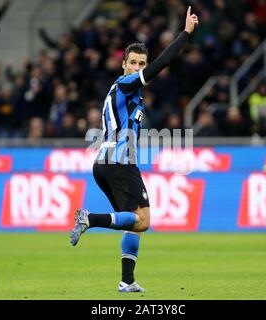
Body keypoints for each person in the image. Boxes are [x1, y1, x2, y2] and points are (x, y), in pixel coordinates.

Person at [69, 6, 199, 293]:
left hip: (105, 162)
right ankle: (89, 218)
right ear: (124, 65)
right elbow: (162, 63)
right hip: (118, 161)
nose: (139, 68)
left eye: (142, 63)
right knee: (144, 221)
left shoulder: (126, 94)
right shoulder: (126, 84)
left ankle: (126, 281)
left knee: (131, 222)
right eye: (134, 63)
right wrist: (186, 34)